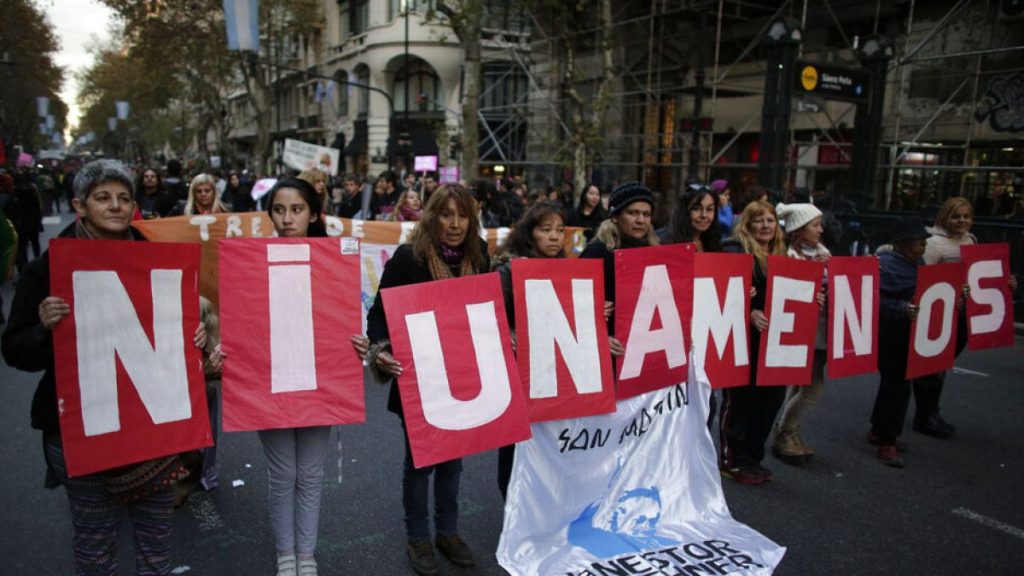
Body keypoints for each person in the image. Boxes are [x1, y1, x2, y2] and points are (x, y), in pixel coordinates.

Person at [1, 158, 207, 576]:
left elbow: (176, 341)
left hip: (154, 434)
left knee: (155, 544)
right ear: (80, 205)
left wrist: (197, 340)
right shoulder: (48, 269)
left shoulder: (159, 263)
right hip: (81, 432)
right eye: (103, 198)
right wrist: (43, 329)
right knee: (96, 544)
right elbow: (15, 351)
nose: (115, 206)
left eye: (124, 198)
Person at [357, 184, 486, 576]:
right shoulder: (407, 259)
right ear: (432, 217)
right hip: (419, 378)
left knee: (454, 461)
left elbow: (488, 308)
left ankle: (448, 531)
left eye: (462, 216)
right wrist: (383, 351)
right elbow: (378, 315)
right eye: (447, 215)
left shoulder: (479, 255)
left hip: (462, 377)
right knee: (421, 462)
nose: (455, 224)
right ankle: (418, 537)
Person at [252, 178, 331, 576]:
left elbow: (345, 317)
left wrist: (355, 344)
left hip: (319, 378)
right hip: (270, 379)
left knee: (311, 473)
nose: (287, 219)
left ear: (314, 214)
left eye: (297, 210)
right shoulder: (250, 262)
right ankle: (286, 553)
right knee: (283, 472)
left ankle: (307, 554)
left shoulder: (333, 263)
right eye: (279, 210)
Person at [718, 200, 788, 485]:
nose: (765, 225)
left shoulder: (784, 254)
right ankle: (732, 458)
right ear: (747, 224)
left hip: (776, 342)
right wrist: (748, 311)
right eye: (759, 220)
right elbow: (721, 290)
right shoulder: (735, 250)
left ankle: (753, 457)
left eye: (770, 220)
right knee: (741, 400)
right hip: (745, 340)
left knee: (771, 398)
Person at [869, 218, 932, 467]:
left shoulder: (917, 263)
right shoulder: (887, 267)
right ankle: (887, 440)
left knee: (893, 385)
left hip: (909, 333)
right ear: (904, 243)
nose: (923, 244)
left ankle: (879, 429)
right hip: (891, 333)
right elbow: (873, 301)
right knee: (897, 387)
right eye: (919, 241)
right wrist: (901, 308)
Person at [771, 203, 830, 465]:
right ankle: (786, 432)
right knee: (813, 388)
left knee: (799, 383)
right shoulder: (787, 256)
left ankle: (786, 432)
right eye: (815, 225)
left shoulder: (823, 253)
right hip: (799, 331)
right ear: (799, 230)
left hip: (820, 330)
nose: (821, 230)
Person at [580, 181, 659, 339]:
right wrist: (602, 337)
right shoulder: (598, 252)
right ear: (615, 216)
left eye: (646, 214)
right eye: (633, 213)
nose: (641, 220)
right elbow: (574, 302)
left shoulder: (655, 251)